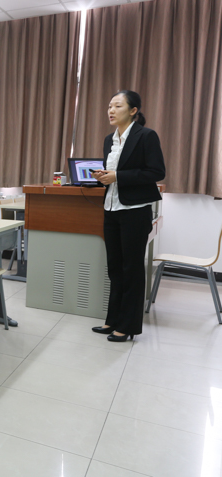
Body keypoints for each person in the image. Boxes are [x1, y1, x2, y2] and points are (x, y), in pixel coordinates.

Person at [91, 90, 165, 342]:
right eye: (109, 106)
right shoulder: (108, 140)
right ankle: (113, 320)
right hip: (111, 209)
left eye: (117, 106)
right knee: (115, 268)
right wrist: (104, 177)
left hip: (135, 211)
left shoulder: (146, 136)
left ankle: (128, 326)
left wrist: (118, 177)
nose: (111, 111)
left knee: (131, 269)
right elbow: (113, 174)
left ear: (133, 111)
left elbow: (156, 172)